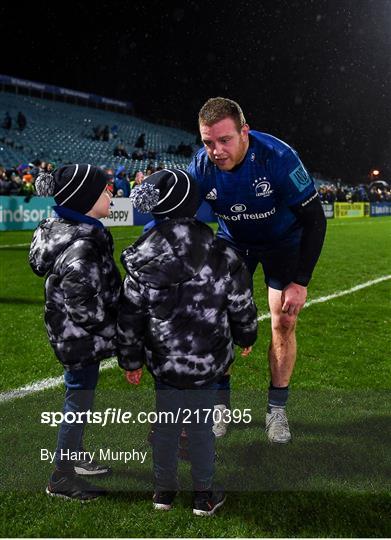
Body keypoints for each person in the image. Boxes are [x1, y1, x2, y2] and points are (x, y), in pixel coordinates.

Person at [117, 168, 257, 516]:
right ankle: (204, 494)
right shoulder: (222, 254)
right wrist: (246, 335)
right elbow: (240, 303)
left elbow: (130, 314)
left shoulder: (142, 255)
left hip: (163, 361)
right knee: (199, 428)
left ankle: (163, 492)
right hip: (207, 361)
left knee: (165, 427)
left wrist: (131, 360)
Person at [188, 97, 327, 444]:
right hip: (234, 244)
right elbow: (182, 216)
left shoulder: (278, 158)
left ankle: (276, 410)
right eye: (208, 142)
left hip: (284, 244)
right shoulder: (201, 167)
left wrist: (300, 281)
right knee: (216, 322)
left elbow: (315, 221)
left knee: (284, 321)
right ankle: (220, 406)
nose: (216, 150)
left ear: (244, 132)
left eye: (224, 140)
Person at [29, 164, 122, 501]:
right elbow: (84, 308)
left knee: (80, 395)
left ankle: (75, 454)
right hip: (79, 338)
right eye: (103, 190)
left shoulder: (77, 233)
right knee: (78, 399)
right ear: (84, 199)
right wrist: (119, 330)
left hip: (71, 335)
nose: (111, 193)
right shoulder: (83, 245)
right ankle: (61, 476)